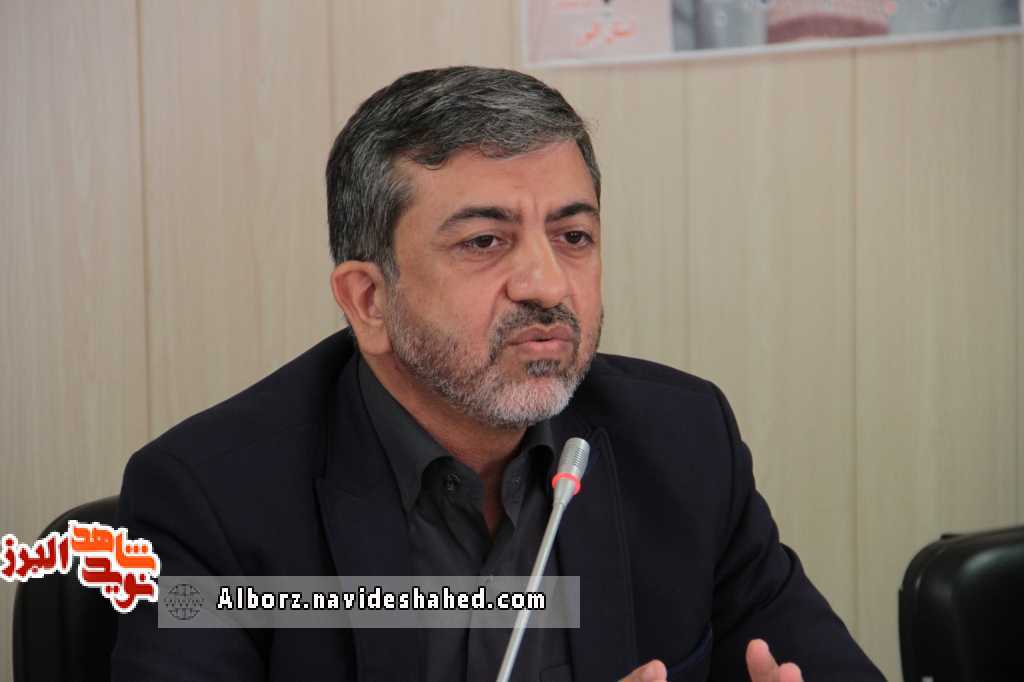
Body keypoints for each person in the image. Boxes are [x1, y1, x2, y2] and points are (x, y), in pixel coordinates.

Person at [111, 66, 883, 681]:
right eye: (485, 242)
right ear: (369, 300)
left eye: (573, 236)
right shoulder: (213, 501)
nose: (547, 284)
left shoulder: (683, 443)